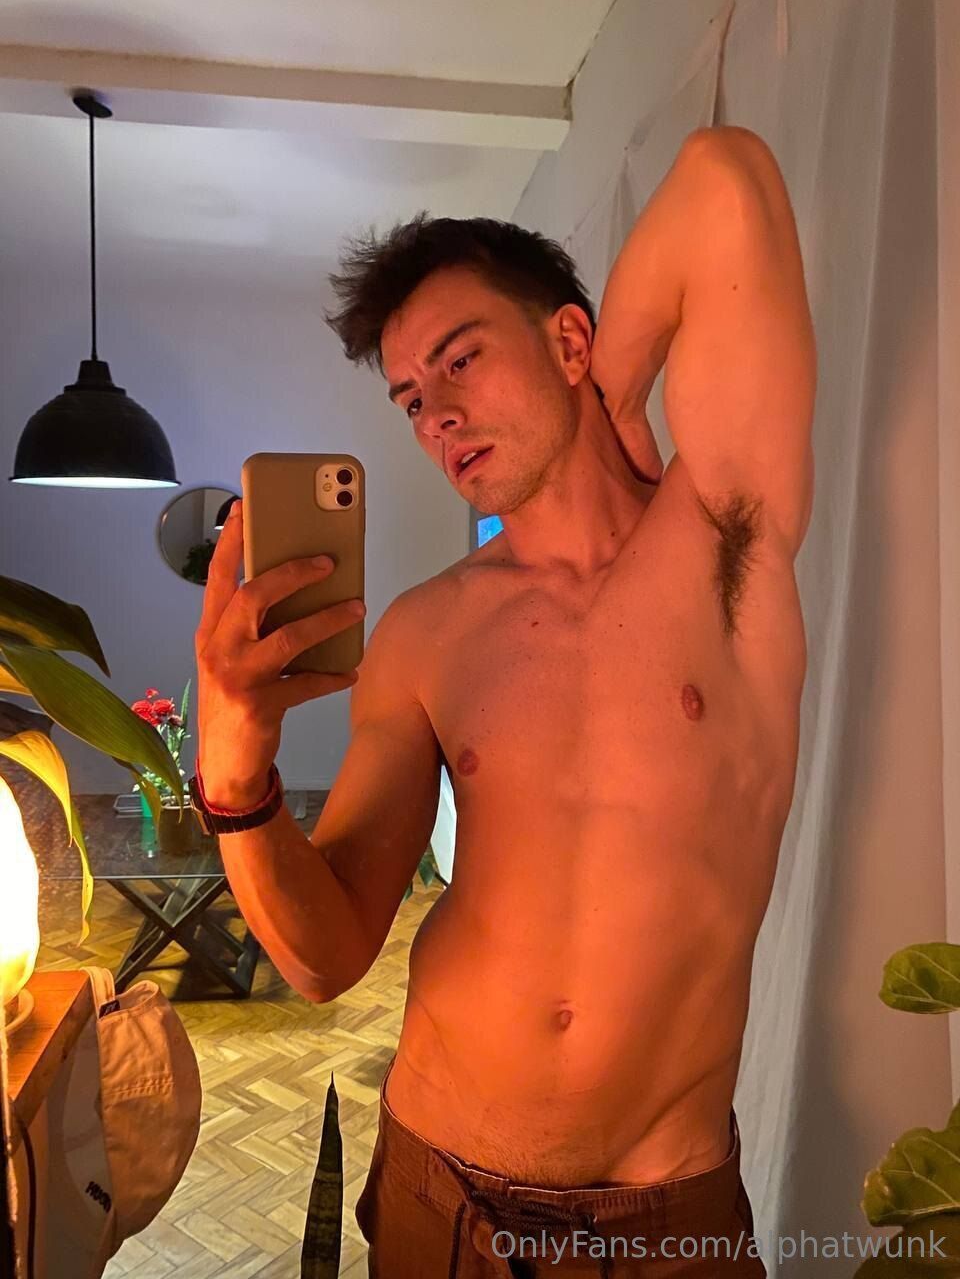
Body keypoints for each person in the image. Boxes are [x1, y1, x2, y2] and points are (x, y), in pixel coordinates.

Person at [194, 124, 816, 1277]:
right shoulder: (429, 630)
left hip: (664, 1219)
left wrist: (615, 391)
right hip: (442, 1188)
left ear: (570, 339)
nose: (435, 414)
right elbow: (326, 954)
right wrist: (234, 766)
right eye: (410, 397)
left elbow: (725, 177)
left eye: (462, 361)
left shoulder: (724, 538)